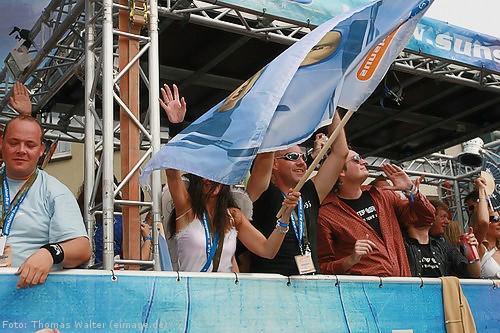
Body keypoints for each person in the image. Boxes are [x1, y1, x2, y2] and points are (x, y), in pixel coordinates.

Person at [161, 84, 300, 272]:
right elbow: (173, 174)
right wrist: (175, 126)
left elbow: (267, 250)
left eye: (217, 174)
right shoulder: (187, 209)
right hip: (192, 296)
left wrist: (285, 216)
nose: (211, 180)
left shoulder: (233, 216)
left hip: (225, 298)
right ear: (197, 179)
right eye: (205, 175)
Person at [243, 110, 348, 276]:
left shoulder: (309, 192)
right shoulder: (262, 193)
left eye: (302, 157)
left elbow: (340, 153)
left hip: (310, 283)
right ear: (275, 164)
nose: (301, 162)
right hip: (272, 286)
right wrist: (276, 125)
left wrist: (331, 107)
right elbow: (264, 161)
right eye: (292, 157)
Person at [0, 116, 90, 288]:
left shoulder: (54, 191)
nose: (21, 150)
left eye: (30, 145)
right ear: (2, 143)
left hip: (31, 298)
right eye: (14, 142)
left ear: (41, 150)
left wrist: (50, 253)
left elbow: (83, 248)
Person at [317, 156, 435, 277]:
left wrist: (412, 191)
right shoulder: (326, 214)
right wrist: (349, 260)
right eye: (356, 159)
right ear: (341, 171)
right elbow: (323, 267)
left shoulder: (382, 195)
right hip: (365, 291)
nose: (364, 161)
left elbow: (426, 219)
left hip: (402, 286)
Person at [403, 215, 480, 278]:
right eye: (442, 216)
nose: (447, 222)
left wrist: (472, 253)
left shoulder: (442, 245)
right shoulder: (402, 246)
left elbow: (473, 274)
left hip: (441, 296)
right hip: (416, 295)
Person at [471, 177, 500, 278]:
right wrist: (482, 190)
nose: (499, 222)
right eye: (495, 219)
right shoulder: (479, 248)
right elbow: (483, 222)